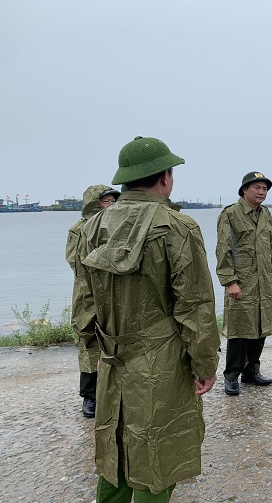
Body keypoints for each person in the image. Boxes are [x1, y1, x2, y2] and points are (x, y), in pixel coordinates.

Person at [71, 136, 220, 502]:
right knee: (158, 453)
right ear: (165, 177)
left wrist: (93, 352)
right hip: (161, 356)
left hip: (111, 356)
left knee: (115, 447)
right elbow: (195, 305)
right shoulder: (177, 226)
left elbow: (83, 301)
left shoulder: (91, 228)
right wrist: (205, 363)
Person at [216, 171, 272, 396]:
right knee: (239, 330)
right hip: (242, 282)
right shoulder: (230, 214)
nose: (261, 192)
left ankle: (251, 372)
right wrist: (230, 282)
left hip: (264, 281)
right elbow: (223, 250)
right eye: (257, 188)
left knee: (260, 326)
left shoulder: (266, 214)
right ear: (244, 189)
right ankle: (231, 376)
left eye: (265, 189)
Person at [66, 185, 121, 418]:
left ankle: (116, 393)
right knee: (88, 342)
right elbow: (75, 262)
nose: (111, 205)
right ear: (93, 203)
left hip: (113, 293)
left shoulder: (118, 226)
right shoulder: (78, 230)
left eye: (113, 201)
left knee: (115, 340)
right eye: (106, 201)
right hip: (86, 293)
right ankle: (90, 396)